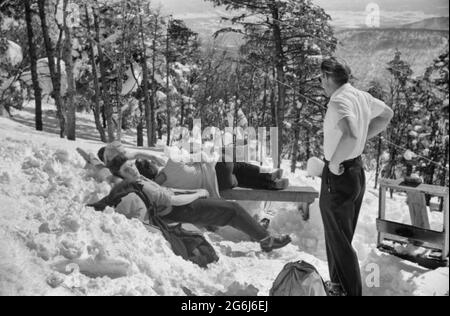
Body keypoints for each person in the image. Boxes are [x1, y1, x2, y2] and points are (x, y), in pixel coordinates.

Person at [91, 154, 292, 253]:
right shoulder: (141, 184)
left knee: (231, 211)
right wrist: (197, 194)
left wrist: (194, 191)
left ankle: (262, 234)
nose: (133, 170)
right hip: (179, 210)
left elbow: (170, 192)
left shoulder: (141, 181)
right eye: (128, 169)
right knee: (232, 210)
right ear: (121, 174)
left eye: (133, 165)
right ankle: (267, 240)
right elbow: (171, 199)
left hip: (179, 207)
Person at [318, 58, 393, 296]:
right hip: (356, 172)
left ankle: (349, 291)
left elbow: (350, 134)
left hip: (339, 175)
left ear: (329, 77)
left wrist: (335, 163)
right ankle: (339, 287)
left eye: (321, 78)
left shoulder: (339, 101)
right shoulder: (360, 96)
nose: (320, 83)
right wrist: (362, 138)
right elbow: (387, 114)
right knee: (341, 235)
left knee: (338, 237)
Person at [97, 143, 289, 198]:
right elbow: (196, 153)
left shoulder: (157, 186)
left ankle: (270, 182)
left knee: (238, 175)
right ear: (153, 166)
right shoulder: (172, 163)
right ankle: (267, 175)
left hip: (220, 187)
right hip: (219, 172)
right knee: (230, 161)